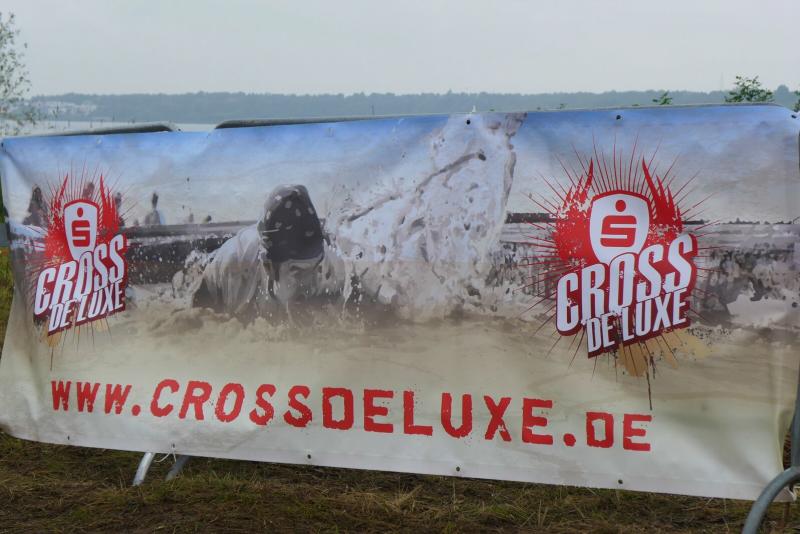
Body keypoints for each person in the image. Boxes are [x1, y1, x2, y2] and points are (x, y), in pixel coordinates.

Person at [190, 184, 329, 321]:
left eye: (315, 267)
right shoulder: (232, 266)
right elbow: (193, 320)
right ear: (269, 268)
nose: (309, 284)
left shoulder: (330, 275)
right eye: (297, 272)